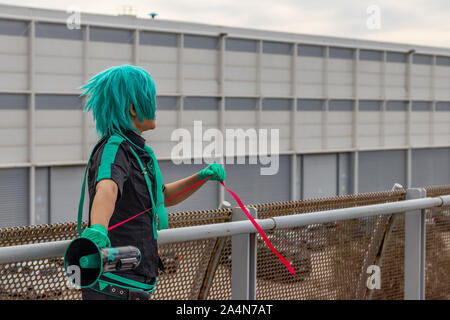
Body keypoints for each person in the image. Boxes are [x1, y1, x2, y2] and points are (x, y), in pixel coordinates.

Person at [77, 64, 226, 300]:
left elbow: (162, 196)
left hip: (134, 283)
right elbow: (107, 188)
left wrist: (202, 177)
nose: (155, 107)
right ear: (134, 108)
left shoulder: (140, 152)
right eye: (150, 99)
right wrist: (98, 229)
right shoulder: (114, 148)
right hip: (114, 284)